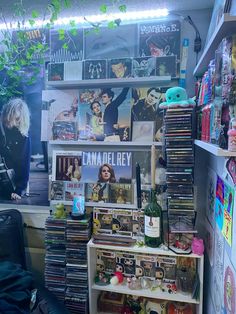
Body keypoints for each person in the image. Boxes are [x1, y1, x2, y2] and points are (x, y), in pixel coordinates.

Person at [0, 98, 31, 200]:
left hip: (9, 178)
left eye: (16, 119)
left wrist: (19, 189)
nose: (12, 123)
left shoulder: (23, 134)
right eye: (9, 118)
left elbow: (24, 163)